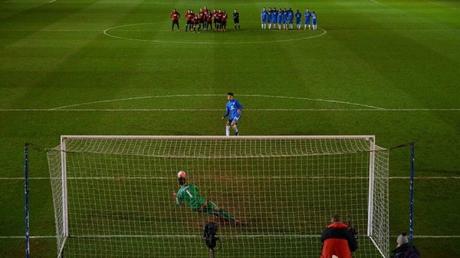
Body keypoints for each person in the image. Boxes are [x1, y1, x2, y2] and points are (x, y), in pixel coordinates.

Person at [174, 170, 239, 223]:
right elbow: (197, 192)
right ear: (185, 179)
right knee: (217, 209)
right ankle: (233, 220)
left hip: (196, 208)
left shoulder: (179, 193)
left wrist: (176, 196)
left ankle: (222, 218)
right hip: (203, 203)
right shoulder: (192, 186)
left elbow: (179, 203)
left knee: (210, 211)